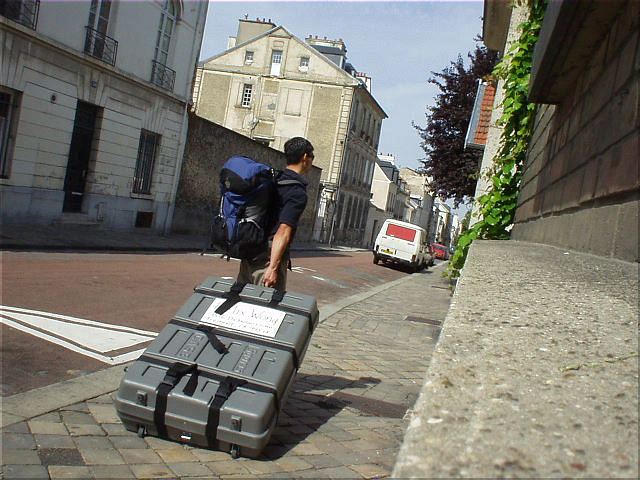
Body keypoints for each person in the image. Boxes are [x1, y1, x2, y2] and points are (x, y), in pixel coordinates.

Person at [237, 137, 314, 291]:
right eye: (312, 156)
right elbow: (283, 230)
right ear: (305, 157)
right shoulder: (296, 192)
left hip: (251, 247)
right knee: (265, 308)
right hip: (268, 256)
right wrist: (273, 267)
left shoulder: (274, 179)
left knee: (241, 301)